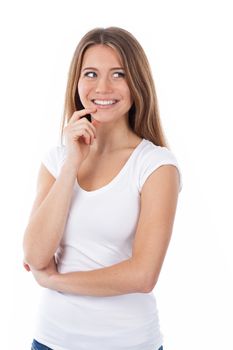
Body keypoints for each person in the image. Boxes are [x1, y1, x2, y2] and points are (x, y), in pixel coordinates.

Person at [23, 26, 182, 350]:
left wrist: (56, 281)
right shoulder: (57, 160)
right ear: (77, 82)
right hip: (51, 341)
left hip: (129, 342)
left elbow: (143, 275)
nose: (103, 87)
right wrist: (71, 165)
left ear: (136, 82)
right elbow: (35, 254)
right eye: (91, 73)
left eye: (118, 74)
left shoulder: (155, 166)